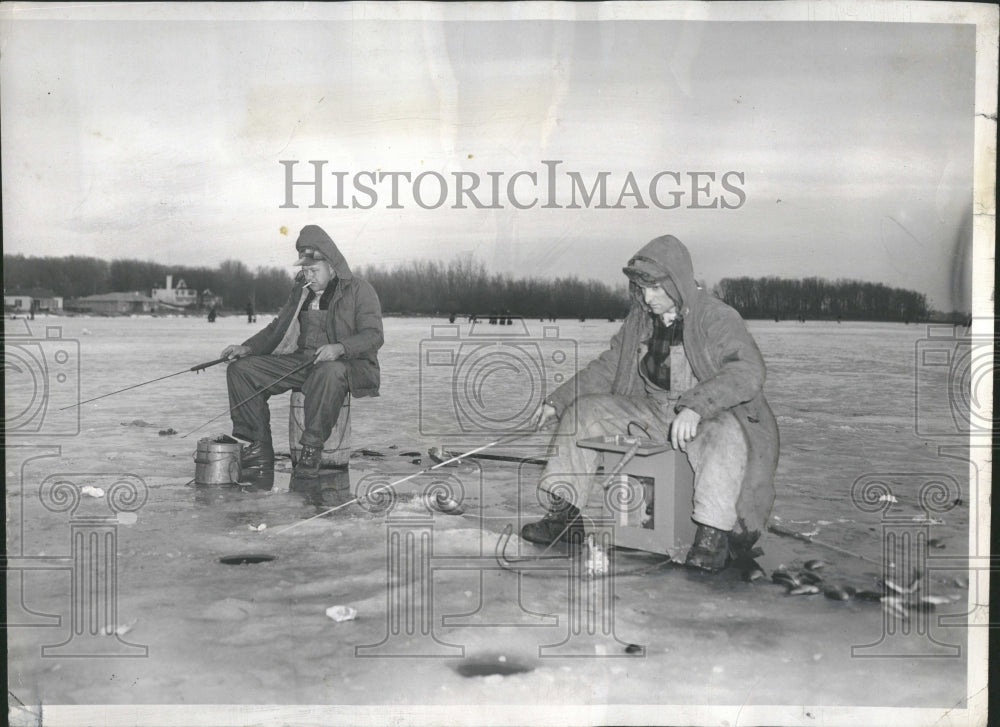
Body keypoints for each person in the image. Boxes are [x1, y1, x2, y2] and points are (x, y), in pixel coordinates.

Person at [520, 235, 779, 572]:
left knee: (723, 438)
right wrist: (558, 401)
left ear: (677, 282)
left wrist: (697, 405)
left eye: (656, 289)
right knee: (584, 411)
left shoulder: (716, 317)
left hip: (711, 414)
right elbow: (609, 365)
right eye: (642, 289)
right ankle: (564, 517)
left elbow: (748, 370)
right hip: (653, 411)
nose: (647, 298)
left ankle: (712, 537)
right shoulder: (640, 320)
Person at [220, 225, 384, 481]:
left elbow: (374, 335)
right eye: (304, 269)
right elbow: (277, 328)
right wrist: (248, 347)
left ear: (331, 266)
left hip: (347, 365)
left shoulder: (360, 290)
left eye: (314, 270)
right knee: (241, 371)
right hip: (303, 361)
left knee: (329, 372)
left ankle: (311, 449)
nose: (308, 275)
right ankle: (258, 446)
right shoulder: (301, 292)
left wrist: (339, 348)